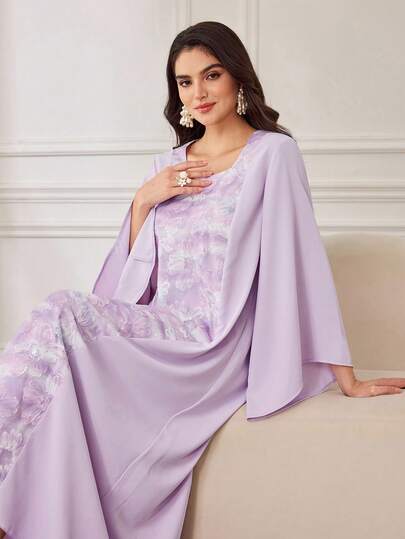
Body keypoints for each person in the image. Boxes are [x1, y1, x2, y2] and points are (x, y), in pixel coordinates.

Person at [0, 20, 404, 539]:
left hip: (213, 340)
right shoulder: (168, 166)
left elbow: (303, 260)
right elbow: (133, 284)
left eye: (211, 75)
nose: (199, 92)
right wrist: (144, 200)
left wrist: (346, 377)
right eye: (185, 82)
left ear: (237, 76)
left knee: (61, 309)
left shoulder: (272, 155)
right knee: (56, 330)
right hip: (160, 328)